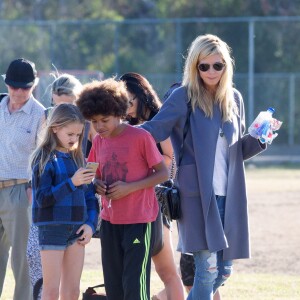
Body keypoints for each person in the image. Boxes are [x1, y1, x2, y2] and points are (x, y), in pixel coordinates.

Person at [140, 34, 268, 299]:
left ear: (226, 66)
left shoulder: (234, 99)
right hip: (196, 197)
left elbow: (235, 152)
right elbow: (151, 131)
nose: (211, 71)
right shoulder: (182, 97)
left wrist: (259, 139)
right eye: (204, 65)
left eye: (217, 65)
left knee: (223, 272)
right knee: (207, 271)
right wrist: (117, 136)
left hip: (229, 197)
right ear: (194, 67)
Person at [76, 78, 169, 300]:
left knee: (134, 288)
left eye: (105, 120)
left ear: (120, 113)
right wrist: (96, 184)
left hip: (139, 222)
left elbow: (163, 173)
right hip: (109, 223)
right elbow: (92, 175)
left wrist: (129, 188)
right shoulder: (99, 141)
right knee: (114, 288)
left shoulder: (141, 137)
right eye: (94, 121)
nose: (99, 127)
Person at [26, 73, 96, 300]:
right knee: (51, 290)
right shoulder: (43, 158)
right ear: (55, 128)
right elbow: (43, 199)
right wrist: (71, 183)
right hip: (52, 229)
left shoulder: (78, 159)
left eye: (78, 134)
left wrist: (90, 224)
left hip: (77, 229)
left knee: (72, 291)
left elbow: (90, 197)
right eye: (70, 134)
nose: (75, 139)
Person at [119, 72, 184, 300]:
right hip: (127, 206)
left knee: (167, 272)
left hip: (155, 203)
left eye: (129, 101)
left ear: (142, 95)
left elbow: (169, 158)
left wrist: (146, 174)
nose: (125, 107)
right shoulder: (122, 124)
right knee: (135, 273)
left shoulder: (157, 121)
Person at [0, 58, 45, 300]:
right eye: (14, 86)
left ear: (34, 84)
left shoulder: (40, 115)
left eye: (25, 87)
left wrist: (32, 188)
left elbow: (43, 158)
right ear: (7, 84)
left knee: (22, 261)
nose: (19, 92)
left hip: (20, 191)